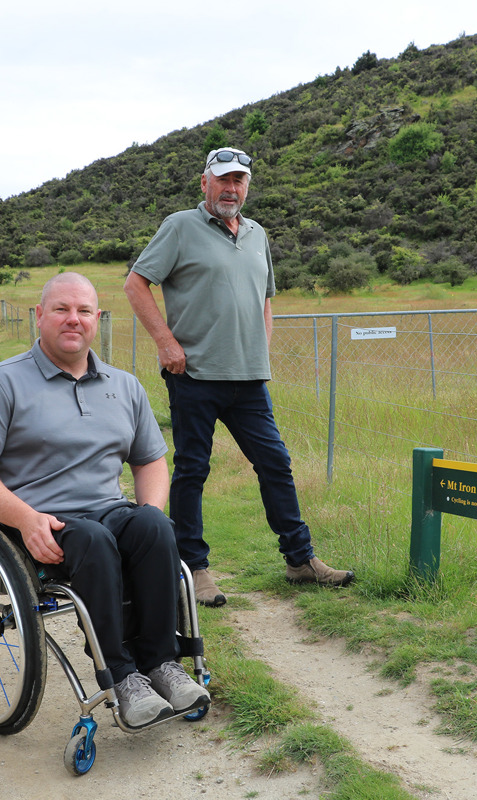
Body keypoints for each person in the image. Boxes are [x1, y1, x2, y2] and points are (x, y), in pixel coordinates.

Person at [0, 272, 208, 728]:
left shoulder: (124, 387)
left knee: (155, 527)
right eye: (62, 309)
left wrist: (150, 508)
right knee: (90, 536)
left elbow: (150, 461)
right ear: (39, 315)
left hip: (107, 512)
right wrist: (26, 519)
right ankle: (122, 678)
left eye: (84, 311)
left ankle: (163, 665)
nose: (73, 319)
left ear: (97, 319)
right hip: (35, 524)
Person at [125, 146, 355, 608]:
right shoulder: (180, 226)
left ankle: (300, 560)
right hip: (194, 375)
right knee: (193, 470)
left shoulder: (256, 234)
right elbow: (136, 283)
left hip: (249, 379)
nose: (232, 189)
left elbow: (266, 297)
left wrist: (261, 345)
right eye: (224, 180)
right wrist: (166, 344)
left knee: (275, 464)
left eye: (240, 181)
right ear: (205, 182)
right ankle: (194, 569)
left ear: (247, 186)